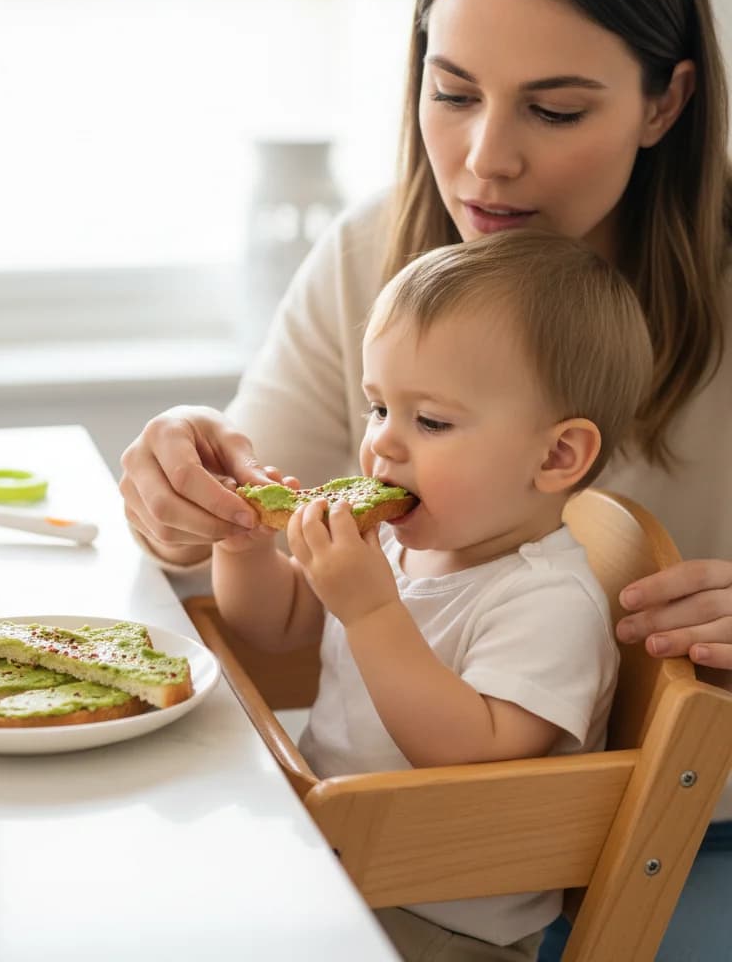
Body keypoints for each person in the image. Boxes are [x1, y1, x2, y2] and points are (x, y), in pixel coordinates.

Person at [118, 0, 732, 957]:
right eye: (450, 91)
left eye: (556, 108)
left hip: (642, 854)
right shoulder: (378, 256)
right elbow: (256, 564)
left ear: (664, 103)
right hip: (366, 853)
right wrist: (200, 498)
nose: (486, 159)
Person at [213, 230, 653, 960]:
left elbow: (471, 754)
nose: (383, 445)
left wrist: (371, 610)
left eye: (431, 420)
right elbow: (276, 628)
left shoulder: (548, 600)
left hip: (444, 925)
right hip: (338, 864)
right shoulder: (397, 544)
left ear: (555, 456)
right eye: (378, 407)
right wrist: (246, 548)